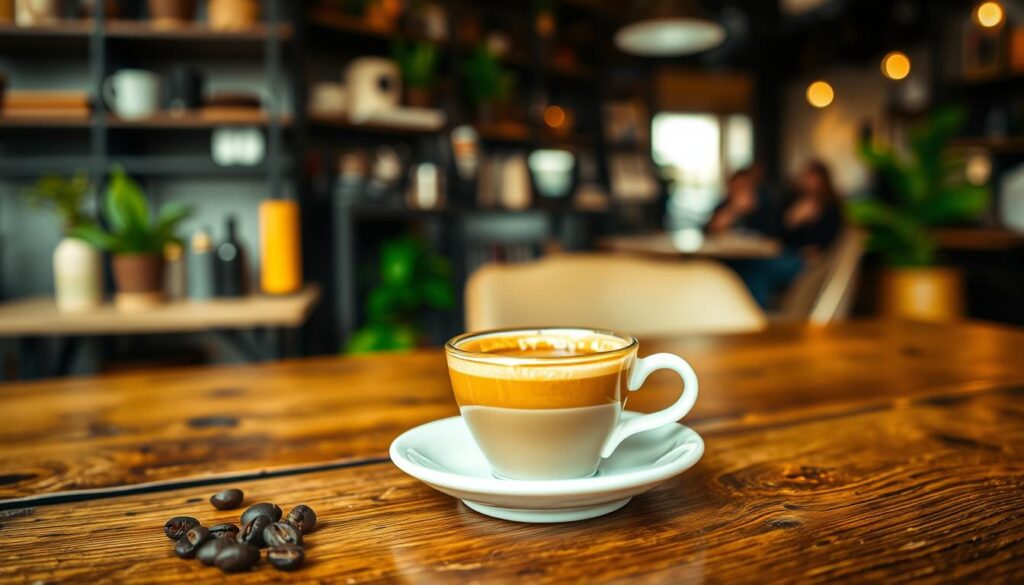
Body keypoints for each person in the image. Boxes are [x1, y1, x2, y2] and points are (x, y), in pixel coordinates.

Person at [706, 166, 780, 238]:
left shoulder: (765, 206)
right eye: (736, 188)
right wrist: (734, 210)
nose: (741, 193)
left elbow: (773, 236)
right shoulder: (723, 205)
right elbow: (711, 230)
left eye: (743, 187)